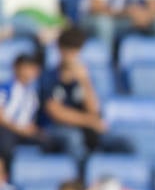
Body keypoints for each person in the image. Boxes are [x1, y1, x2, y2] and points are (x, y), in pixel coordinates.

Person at [41, 27, 131, 162]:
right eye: (68, 50)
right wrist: (89, 121)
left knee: (123, 143)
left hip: (85, 127)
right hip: (54, 129)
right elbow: (56, 113)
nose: (72, 56)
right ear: (60, 50)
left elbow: (94, 110)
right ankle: (82, 178)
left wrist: (85, 81)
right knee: (74, 139)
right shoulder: (49, 77)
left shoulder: (84, 78)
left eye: (75, 51)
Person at [0, 54, 50, 168]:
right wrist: (18, 128)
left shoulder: (33, 93)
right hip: (7, 129)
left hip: (25, 131)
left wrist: (31, 129)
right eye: (27, 67)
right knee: (6, 141)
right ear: (16, 68)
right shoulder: (5, 87)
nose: (31, 72)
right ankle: (7, 174)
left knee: (50, 140)